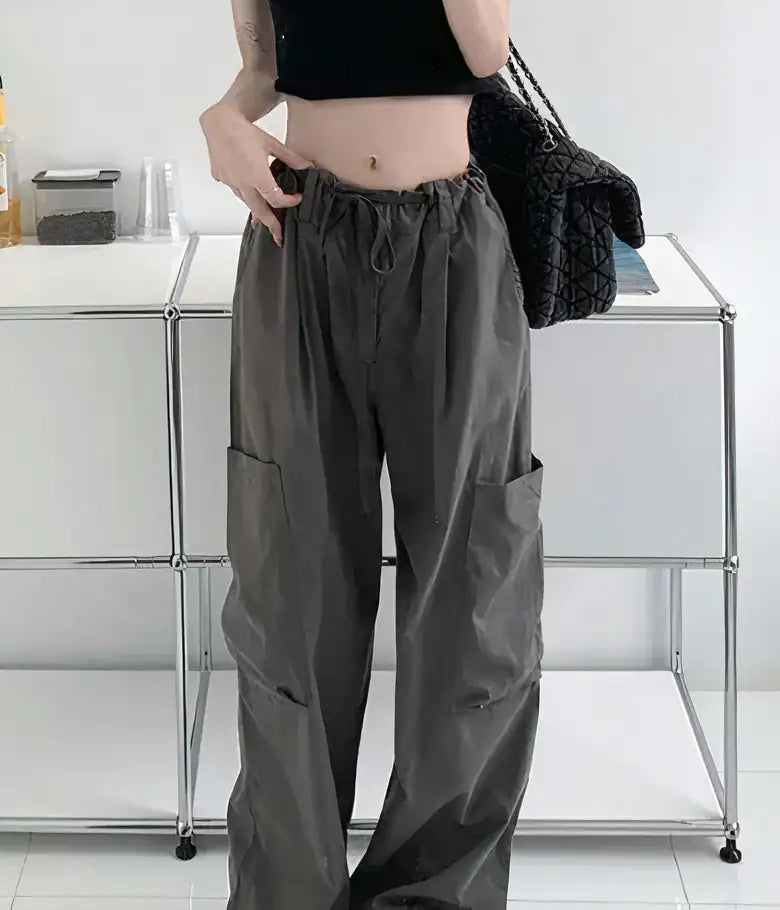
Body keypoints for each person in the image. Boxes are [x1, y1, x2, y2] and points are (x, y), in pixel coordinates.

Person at [200, 2, 545, 909]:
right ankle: (289, 894)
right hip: (300, 242)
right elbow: (265, 67)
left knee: (475, 600)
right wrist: (223, 120)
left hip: (453, 247)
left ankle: (435, 895)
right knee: (288, 597)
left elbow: (485, 50)